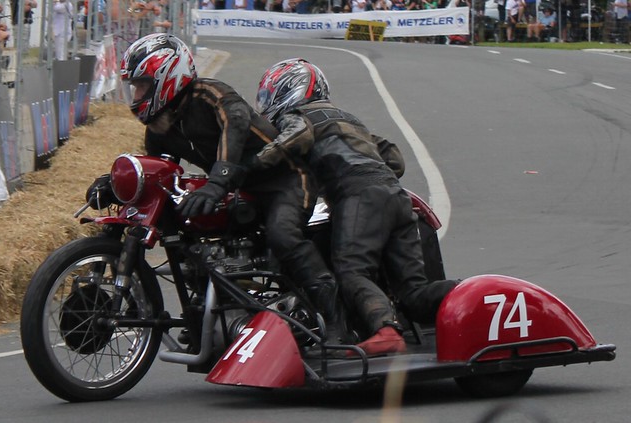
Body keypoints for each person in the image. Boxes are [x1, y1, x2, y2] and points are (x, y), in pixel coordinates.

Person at [119, 34, 339, 330]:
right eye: (134, 87)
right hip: (240, 189)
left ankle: (334, 320)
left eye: (142, 85)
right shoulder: (161, 126)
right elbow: (161, 172)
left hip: (285, 180)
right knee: (190, 236)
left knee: (283, 235)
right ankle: (217, 311)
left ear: (166, 76)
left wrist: (217, 182)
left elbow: (234, 124)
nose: (136, 96)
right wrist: (118, 184)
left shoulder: (211, 94)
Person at [252, 58, 457, 357]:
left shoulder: (296, 117)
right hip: (396, 196)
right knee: (412, 293)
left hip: (359, 196)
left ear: (288, 91)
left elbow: (286, 144)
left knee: (350, 271)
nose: (266, 104)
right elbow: (394, 158)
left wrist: (243, 168)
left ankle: (385, 330)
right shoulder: (348, 118)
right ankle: (477, 294)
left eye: (268, 96)